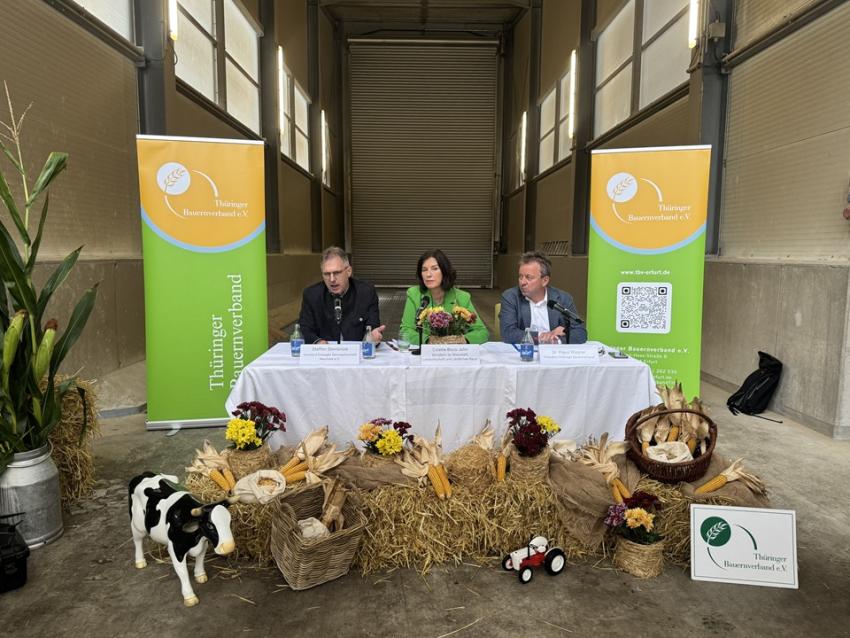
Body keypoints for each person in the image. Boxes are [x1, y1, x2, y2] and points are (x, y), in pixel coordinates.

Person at [399, 249, 489, 345]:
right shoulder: (414, 294)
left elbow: (482, 332)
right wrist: (428, 340)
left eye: (434, 268)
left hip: (454, 354)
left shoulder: (462, 297)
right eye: (424, 270)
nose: (428, 274)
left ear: (444, 271)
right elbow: (405, 331)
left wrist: (463, 340)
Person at [298, 247, 385, 344]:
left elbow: (372, 326)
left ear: (348, 271)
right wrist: (318, 342)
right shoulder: (311, 295)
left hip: (357, 354)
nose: (332, 279)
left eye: (337, 273)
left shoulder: (366, 292)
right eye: (327, 274)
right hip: (325, 355)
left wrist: (372, 338)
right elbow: (304, 329)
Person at [499, 251, 587, 344]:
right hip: (524, 353)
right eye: (521, 277)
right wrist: (542, 337)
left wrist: (555, 340)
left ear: (545, 280)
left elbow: (580, 333)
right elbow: (508, 333)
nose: (522, 282)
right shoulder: (510, 297)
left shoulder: (563, 298)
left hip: (554, 354)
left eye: (529, 277)